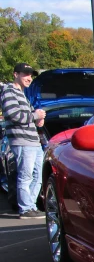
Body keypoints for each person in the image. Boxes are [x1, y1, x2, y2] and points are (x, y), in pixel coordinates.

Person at [0, 63, 46, 219]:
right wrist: (35, 116)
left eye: (30, 75)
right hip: (22, 141)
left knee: (37, 174)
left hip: (33, 141)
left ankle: (31, 205)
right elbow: (14, 115)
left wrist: (36, 120)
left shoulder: (22, 94)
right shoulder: (9, 92)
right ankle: (25, 209)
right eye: (25, 74)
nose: (29, 78)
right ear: (15, 75)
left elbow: (25, 117)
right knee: (25, 175)